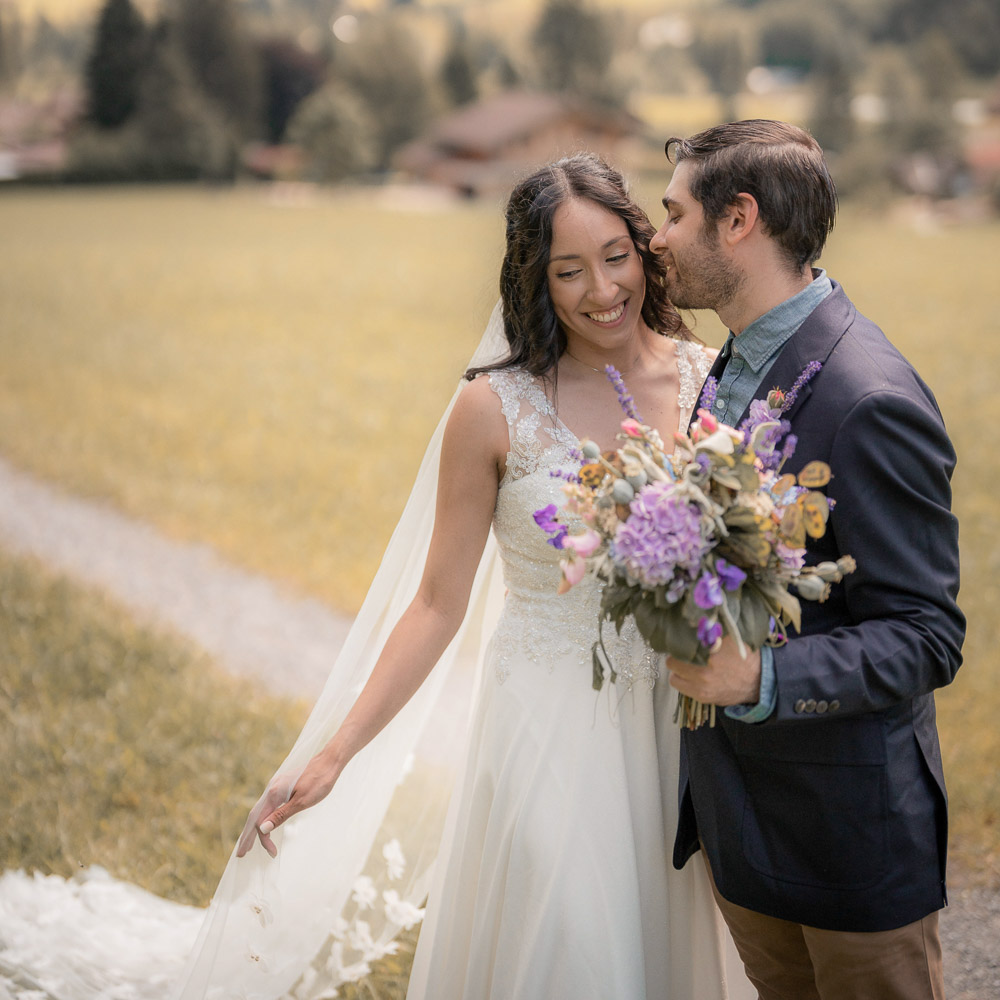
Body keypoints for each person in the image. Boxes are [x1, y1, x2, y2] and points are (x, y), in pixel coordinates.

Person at [173, 153, 752, 999]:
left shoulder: (714, 382)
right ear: (535, 281)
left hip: (681, 726)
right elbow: (438, 605)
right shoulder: (495, 407)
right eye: (568, 270)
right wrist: (333, 753)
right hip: (550, 731)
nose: (602, 289)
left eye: (616, 256)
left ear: (643, 244)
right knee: (578, 954)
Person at [648, 119, 965, 1000]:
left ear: (738, 219)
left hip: (849, 847)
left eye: (673, 214)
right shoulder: (732, 363)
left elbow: (926, 635)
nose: (658, 236)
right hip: (743, 836)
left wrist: (760, 679)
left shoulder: (869, 398)